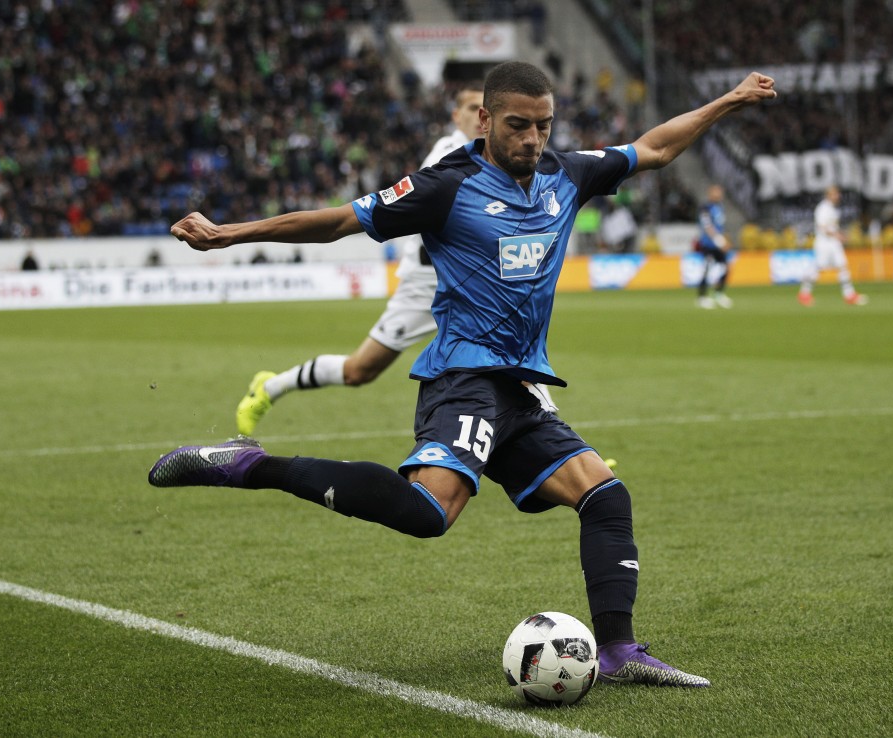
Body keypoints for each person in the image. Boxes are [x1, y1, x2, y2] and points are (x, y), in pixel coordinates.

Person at [152, 61, 777, 688]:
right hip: (463, 377)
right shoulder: (445, 186)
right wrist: (229, 234)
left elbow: (654, 149)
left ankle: (617, 652)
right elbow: (341, 220)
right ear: (484, 119)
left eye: (543, 125)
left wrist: (729, 99)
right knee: (428, 512)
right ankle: (251, 465)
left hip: (520, 387)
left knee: (605, 495)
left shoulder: (566, 174)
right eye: (518, 125)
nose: (532, 139)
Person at [232, 88, 563, 437]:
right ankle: (271, 386)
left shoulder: (506, 159)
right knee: (360, 370)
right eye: (470, 107)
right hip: (430, 282)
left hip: (482, 284)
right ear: (459, 116)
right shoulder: (447, 157)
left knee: (517, 356)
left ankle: (558, 447)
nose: (477, 115)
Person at [798, 185, 868, 306]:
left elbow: (832, 226)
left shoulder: (832, 208)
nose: (838, 196)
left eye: (837, 194)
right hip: (824, 243)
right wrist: (838, 235)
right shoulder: (823, 208)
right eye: (835, 194)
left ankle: (849, 295)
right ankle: (804, 294)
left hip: (833, 243)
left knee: (842, 266)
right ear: (828, 195)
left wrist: (839, 234)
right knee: (818, 267)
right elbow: (822, 227)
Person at [693, 184, 732, 309]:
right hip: (708, 244)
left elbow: (720, 227)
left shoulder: (720, 207)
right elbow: (707, 227)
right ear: (710, 193)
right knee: (707, 269)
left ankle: (718, 293)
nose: (719, 194)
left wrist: (725, 240)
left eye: (720, 192)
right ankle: (702, 297)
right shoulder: (705, 208)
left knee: (726, 268)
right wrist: (720, 241)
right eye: (716, 192)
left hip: (719, 244)